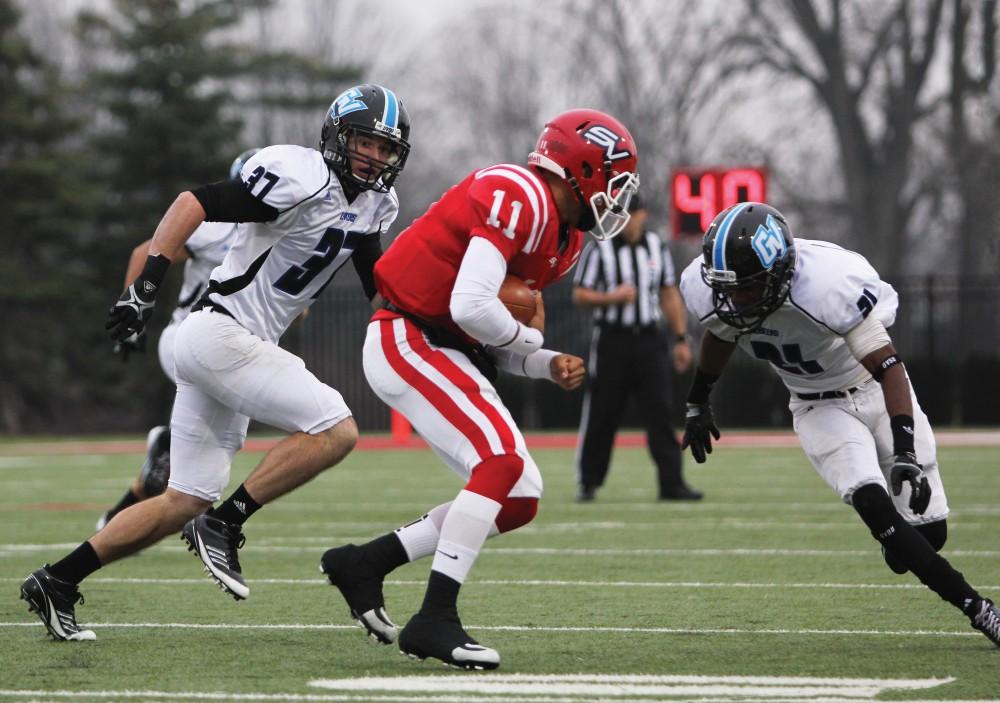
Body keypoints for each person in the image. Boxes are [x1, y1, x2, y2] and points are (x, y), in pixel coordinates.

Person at [19, 83, 411, 641]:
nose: (373, 156)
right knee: (337, 429)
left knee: (182, 498)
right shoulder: (300, 177)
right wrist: (145, 288)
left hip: (232, 344)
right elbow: (193, 202)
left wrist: (436, 321)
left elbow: (380, 286)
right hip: (219, 333)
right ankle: (226, 522)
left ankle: (57, 580)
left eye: (385, 149)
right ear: (336, 135)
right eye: (364, 142)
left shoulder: (376, 205)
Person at [319, 109, 640, 670]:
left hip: (444, 346)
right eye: (613, 181)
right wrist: (526, 336)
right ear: (581, 168)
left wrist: (541, 362)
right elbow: (471, 308)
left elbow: (484, 334)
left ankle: (365, 563)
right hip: (409, 335)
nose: (616, 198)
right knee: (499, 462)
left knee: (519, 496)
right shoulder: (519, 193)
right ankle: (435, 618)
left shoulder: (564, 240)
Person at [678, 202, 1000, 648]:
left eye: (748, 289)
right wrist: (698, 401)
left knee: (929, 535)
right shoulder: (712, 289)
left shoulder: (828, 285)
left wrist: (904, 451)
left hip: (875, 388)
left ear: (779, 273)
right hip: (816, 405)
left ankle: (902, 540)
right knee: (874, 504)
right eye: (729, 290)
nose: (736, 301)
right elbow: (719, 333)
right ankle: (980, 609)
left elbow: (888, 367)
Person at [96, 148, 260, 531]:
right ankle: (208, 506)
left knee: (196, 454)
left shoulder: (286, 234)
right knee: (212, 435)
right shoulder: (217, 225)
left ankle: (119, 515)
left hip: (232, 347)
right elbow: (147, 250)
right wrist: (132, 311)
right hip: (185, 336)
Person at [572, 192, 698, 502]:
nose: (629, 220)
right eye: (622, 214)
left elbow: (669, 293)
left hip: (650, 339)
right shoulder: (599, 248)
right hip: (612, 340)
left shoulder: (657, 246)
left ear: (643, 214)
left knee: (660, 410)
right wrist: (610, 298)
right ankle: (589, 482)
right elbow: (580, 294)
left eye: (634, 213)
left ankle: (672, 483)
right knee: (603, 412)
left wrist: (681, 338)